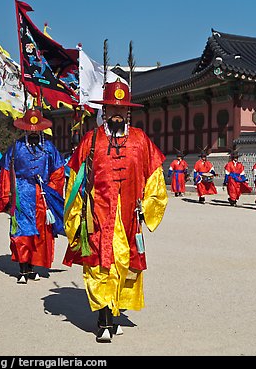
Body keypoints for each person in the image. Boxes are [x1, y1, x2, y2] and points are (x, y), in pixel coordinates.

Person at [62, 78, 168, 343]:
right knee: (99, 266)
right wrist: (76, 214)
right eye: (112, 109)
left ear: (128, 112)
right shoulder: (91, 141)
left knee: (123, 264)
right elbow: (75, 180)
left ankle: (115, 310)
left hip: (128, 217)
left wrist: (148, 205)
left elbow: (155, 176)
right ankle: (103, 320)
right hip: (98, 215)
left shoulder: (140, 140)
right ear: (105, 111)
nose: (117, 114)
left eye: (122, 109)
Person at [0, 109, 66, 284]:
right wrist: (6, 197)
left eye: (36, 129)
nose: (33, 132)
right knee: (21, 233)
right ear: (25, 129)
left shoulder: (49, 148)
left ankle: (32, 267)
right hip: (21, 194)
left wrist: (50, 190)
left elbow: (58, 171)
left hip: (42, 195)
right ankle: (22, 268)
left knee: (39, 234)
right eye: (30, 129)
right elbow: (5, 172)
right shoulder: (16, 147)